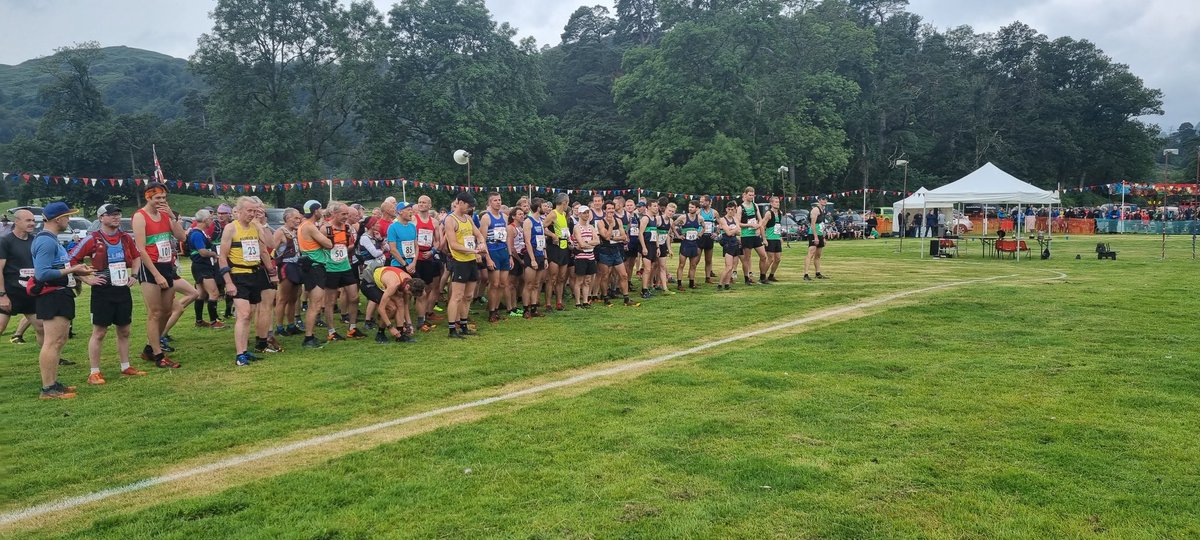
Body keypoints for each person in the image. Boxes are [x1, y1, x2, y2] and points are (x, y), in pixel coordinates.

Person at [69, 203, 147, 384]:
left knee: (125, 330)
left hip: (122, 289)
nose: (116, 217)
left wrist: (134, 275)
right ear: (101, 218)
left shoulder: (125, 237)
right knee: (100, 332)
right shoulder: (92, 239)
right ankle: (94, 372)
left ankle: (125, 366)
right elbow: (72, 259)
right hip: (102, 290)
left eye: (118, 214)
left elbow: (136, 256)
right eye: (111, 214)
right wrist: (87, 279)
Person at [32, 202, 96, 399]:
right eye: (67, 217)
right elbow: (42, 273)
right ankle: (48, 389)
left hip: (59, 293)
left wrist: (79, 274)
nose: (68, 220)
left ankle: (53, 383)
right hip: (52, 295)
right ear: (58, 219)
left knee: (59, 340)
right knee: (52, 342)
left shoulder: (51, 240)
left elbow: (56, 267)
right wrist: (74, 269)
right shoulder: (46, 241)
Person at [133, 182, 187, 368]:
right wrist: (156, 275)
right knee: (155, 312)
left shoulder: (165, 215)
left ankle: (150, 346)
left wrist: (173, 217)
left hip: (166, 265)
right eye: (157, 198)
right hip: (151, 268)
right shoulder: (140, 217)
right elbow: (141, 249)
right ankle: (158, 355)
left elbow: (182, 238)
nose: (161, 201)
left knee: (166, 310)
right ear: (148, 197)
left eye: (164, 198)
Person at [219, 197, 277, 366]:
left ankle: (244, 350)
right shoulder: (231, 228)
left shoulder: (255, 227)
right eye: (249, 211)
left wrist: (271, 273)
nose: (252, 214)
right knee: (243, 314)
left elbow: (264, 250)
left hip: (255, 274)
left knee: (249, 314)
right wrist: (228, 282)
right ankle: (239, 355)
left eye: (254, 211)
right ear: (239, 211)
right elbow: (222, 257)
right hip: (238, 275)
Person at [0, 209, 45, 349]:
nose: (32, 223)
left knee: (41, 327)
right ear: (16, 221)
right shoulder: (5, 241)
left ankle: (51, 358)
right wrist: (2, 295)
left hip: (29, 292)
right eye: (28, 220)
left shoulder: (35, 241)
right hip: (9, 293)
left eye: (33, 220)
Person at [444, 192, 486, 338]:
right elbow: (453, 244)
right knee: (457, 296)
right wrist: (473, 250)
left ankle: (463, 324)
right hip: (460, 261)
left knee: (468, 296)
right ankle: (451, 329)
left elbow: (479, 234)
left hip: (471, 261)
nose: (470, 208)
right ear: (460, 203)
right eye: (468, 205)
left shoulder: (468, 218)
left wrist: (481, 243)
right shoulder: (450, 220)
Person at [321, 202, 363, 341]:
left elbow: (348, 245)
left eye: (347, 214)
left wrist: (348, 247)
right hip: (331, 268)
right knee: (330, 301)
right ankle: (331, 331)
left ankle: (352, 327)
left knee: (354, 297)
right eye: (343, 214)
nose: (346, 217)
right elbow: (320, 247)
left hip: (345, 267)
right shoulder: (325, 228)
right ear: (334, 214)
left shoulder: (347, 228)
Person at [362, 260, 425, 343]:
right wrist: (391, 327)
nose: (409, 295)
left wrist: (409, 324)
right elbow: (381, 308)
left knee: (400, 301)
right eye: (410, 293)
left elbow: (405, 305)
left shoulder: (409, 280)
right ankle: (380, 333)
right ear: (407, 287)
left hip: (381, 277)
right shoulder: (394, 284)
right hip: (369, 282)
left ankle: (400, 334)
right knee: (391, 308)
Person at [298, 200, 334, 348]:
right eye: (320, 209)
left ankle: (310, 336)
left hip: (312, 266)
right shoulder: (310, 227)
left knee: (315, 303)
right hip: (315, 267)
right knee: (316, 304)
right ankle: (308, 337)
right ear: (315, 211)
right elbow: (329, 244)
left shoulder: (303, 225)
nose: (323, 212)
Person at [188, 209, 225, 329]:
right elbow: (203, 252)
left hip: (200, 266)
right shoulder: (197, 234)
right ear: (205, 220)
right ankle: (214, 321)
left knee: (201, 294)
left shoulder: (200, 232)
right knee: (214, 293)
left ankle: (199, 321)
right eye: (210, 218)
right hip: (202, 266)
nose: (212, 221)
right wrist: (214, 254)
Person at [478, 193, 511, 323]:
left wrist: (509, 255)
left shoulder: (504, 217)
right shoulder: (486, 218)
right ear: (490, 203)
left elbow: (507, 237)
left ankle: (497, 308)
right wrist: (488, 258)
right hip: (492, 250)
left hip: (503, 250)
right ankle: (491, 310)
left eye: (499, 200)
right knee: (494, 284)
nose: (498, 202)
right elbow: (482, 239)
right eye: (495, 200)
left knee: (503, 283)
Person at [412, 195, 442, 332]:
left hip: (428, 257)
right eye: (419, 202)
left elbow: (438, 241)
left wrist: (433, 251)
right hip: (416, 258)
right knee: (419, 289)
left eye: (424, 203)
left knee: (429, 287)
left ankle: (424, 314)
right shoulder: (413, 220)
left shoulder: (434, 222)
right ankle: (419, 319)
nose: (421, 204)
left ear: (430, 205)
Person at [597, 200, 635, 306]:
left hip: (616, 250)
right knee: (605, 276)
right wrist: (610, 226)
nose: (611, 211)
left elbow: (624, 237)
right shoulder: (601, 222)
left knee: (623, 275)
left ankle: (626, 298)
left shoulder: (618, 221)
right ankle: (605, 297)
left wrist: (614, 237)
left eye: (612, 208)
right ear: (604, 210)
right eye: (608, 209)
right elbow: (606, 237)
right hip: (605, 251)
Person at [273, 208, 304, 337]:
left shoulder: (296, 232)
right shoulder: (280, 232)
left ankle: (291, 324)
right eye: (295, 218)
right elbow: (272, 251)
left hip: (297, 265)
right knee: (283, 298)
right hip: (286, 266)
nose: (298, 221)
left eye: (299, 218)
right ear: (287, 218)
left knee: (294, 297)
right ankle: (279, 327)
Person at [520, 198, 549, 318]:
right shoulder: (528, 221)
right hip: (531, 256)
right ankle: (526, 309)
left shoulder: (540, 222)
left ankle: (534, 308)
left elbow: (542, 241)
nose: (546, 208)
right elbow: (527, 241)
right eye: (544, 206)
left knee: (537, 284)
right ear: (538, 208)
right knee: (529, 284)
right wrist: (532, 259)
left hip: (540, 254)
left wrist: (545, 257)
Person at [544, 193, 571, 311]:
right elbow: (542, 227)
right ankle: (548, 303)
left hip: (564, 247)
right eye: (567, 203)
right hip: (554, 248)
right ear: (564, 202)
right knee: (552, 277)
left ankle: (559, 302)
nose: (567, 205)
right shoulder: (553, 214)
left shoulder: (564, 214)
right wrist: (552, 235)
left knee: (562, 277)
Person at [737, 187, 768, 285]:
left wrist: (759, 226)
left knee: (763, 256)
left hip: (755, 235)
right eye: (749, 195)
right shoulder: (740, 208)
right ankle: (747, 278)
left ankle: (763, 277)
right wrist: (750, 225)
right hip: (746, 236)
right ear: (745, 195)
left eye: (752, 195)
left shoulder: (755, 206)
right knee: (747, 258)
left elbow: (760, 219)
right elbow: (738, 223)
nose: (751, 197)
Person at [572, 206, 600, 309]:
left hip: (590, 256)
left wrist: (587, 243)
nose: (586, 215)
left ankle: (585, 301)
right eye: (584, 213)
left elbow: (597, 241)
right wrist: (590, 244)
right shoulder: (577, 227)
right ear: (579, 214)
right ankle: (578, 302)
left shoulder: (591, 227)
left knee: (587, 280)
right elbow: (581, 243)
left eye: (588, 212)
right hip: (581, 257)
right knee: (579, 280)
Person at [674, 200, 702, 291]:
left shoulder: (700, 218)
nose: (690, 209)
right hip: (685, 243)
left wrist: (700, 233)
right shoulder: (683, 217)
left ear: (697, 208)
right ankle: (679, 284)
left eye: (692, 207)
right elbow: (673, 225)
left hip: (694, 243)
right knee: (682, 264)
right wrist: (678, 235)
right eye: (689, 207)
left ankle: (691, 282)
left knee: (693, 265)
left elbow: (705, 227)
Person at [637, 198, 661, 299]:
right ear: (649, 207)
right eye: (654, 206)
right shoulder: (645, 218)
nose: (657, 208)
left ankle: (647, 288)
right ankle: (644, 290)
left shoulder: (654, 219)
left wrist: (658, 247)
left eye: (657, 206)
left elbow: (655, 233)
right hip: (646, 245)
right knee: (647, 269)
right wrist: (643, 247)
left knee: (651, 268)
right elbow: (640, 234)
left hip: (652, 246)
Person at [718, 200, 743, 291]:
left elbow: (739, 231)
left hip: (734, 242)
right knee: (728, 266)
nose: (730, 211)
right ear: (726, 209)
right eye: (729, 209)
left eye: (732, 209)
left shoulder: (735, 219)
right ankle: (720, 284)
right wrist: (735, 230)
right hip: (728, 243)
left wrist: (734, 230)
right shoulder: (722, 220)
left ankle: (727, 283)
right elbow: (728, 233)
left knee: (732, 266)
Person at [804, 196, 829, 281]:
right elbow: (812, 224)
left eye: (826, 199)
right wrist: (815, 236)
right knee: (810, 254)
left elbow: (822, 225)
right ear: (819, 200)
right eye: (823, 199)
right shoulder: (815, 210)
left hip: (820, 234)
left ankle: (818, 273)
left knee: (818, 255)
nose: (824, 201)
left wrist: (823, 237)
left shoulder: (823, 210)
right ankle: (806, 274)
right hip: (813, 234)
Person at [761, 196, 784, 282]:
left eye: (778, 202)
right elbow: (762, 226)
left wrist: (780, 236)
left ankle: (771, 275)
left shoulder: (780, 213)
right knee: (770, 259)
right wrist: (764, 238)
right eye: (775, 202)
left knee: (778, 259)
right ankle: (763, 276)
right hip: (770, 238)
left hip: (777, 238)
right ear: (771, 203)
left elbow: (778, 226)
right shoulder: (769, 213)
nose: (777, 203)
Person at [697, 195, 717, 283]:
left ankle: (708, 278)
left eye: (703, 201)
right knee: (696, 258)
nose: (701, 203)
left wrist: (716, 233)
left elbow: (720, 223)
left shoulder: (714, 212)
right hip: (700, 237)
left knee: (708, 259)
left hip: (709, 237)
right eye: (700, 201)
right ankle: (692, 276)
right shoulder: (698, 212)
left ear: (708, 202)